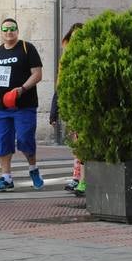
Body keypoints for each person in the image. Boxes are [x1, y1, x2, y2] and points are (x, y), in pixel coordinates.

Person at [0, 18, 45, 192]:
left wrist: (22, 89)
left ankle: (33, 169)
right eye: (5, 29)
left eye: (12, 29)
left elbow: (38, 74)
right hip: (2, 107)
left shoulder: (27, 48)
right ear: (1, 32)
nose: (9, 32)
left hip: (24, 105)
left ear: (17, 31)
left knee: (25, 139)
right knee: (2, 140)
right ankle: (6, 178)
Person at [50, 22, 85, 195]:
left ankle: (81, 179)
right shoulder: (66, 57)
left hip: (84, 105)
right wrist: (54, 109)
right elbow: (60, 83)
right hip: (73, 106)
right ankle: (77, 178)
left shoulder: (88, 56)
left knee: (81, 145)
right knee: (77, 145)